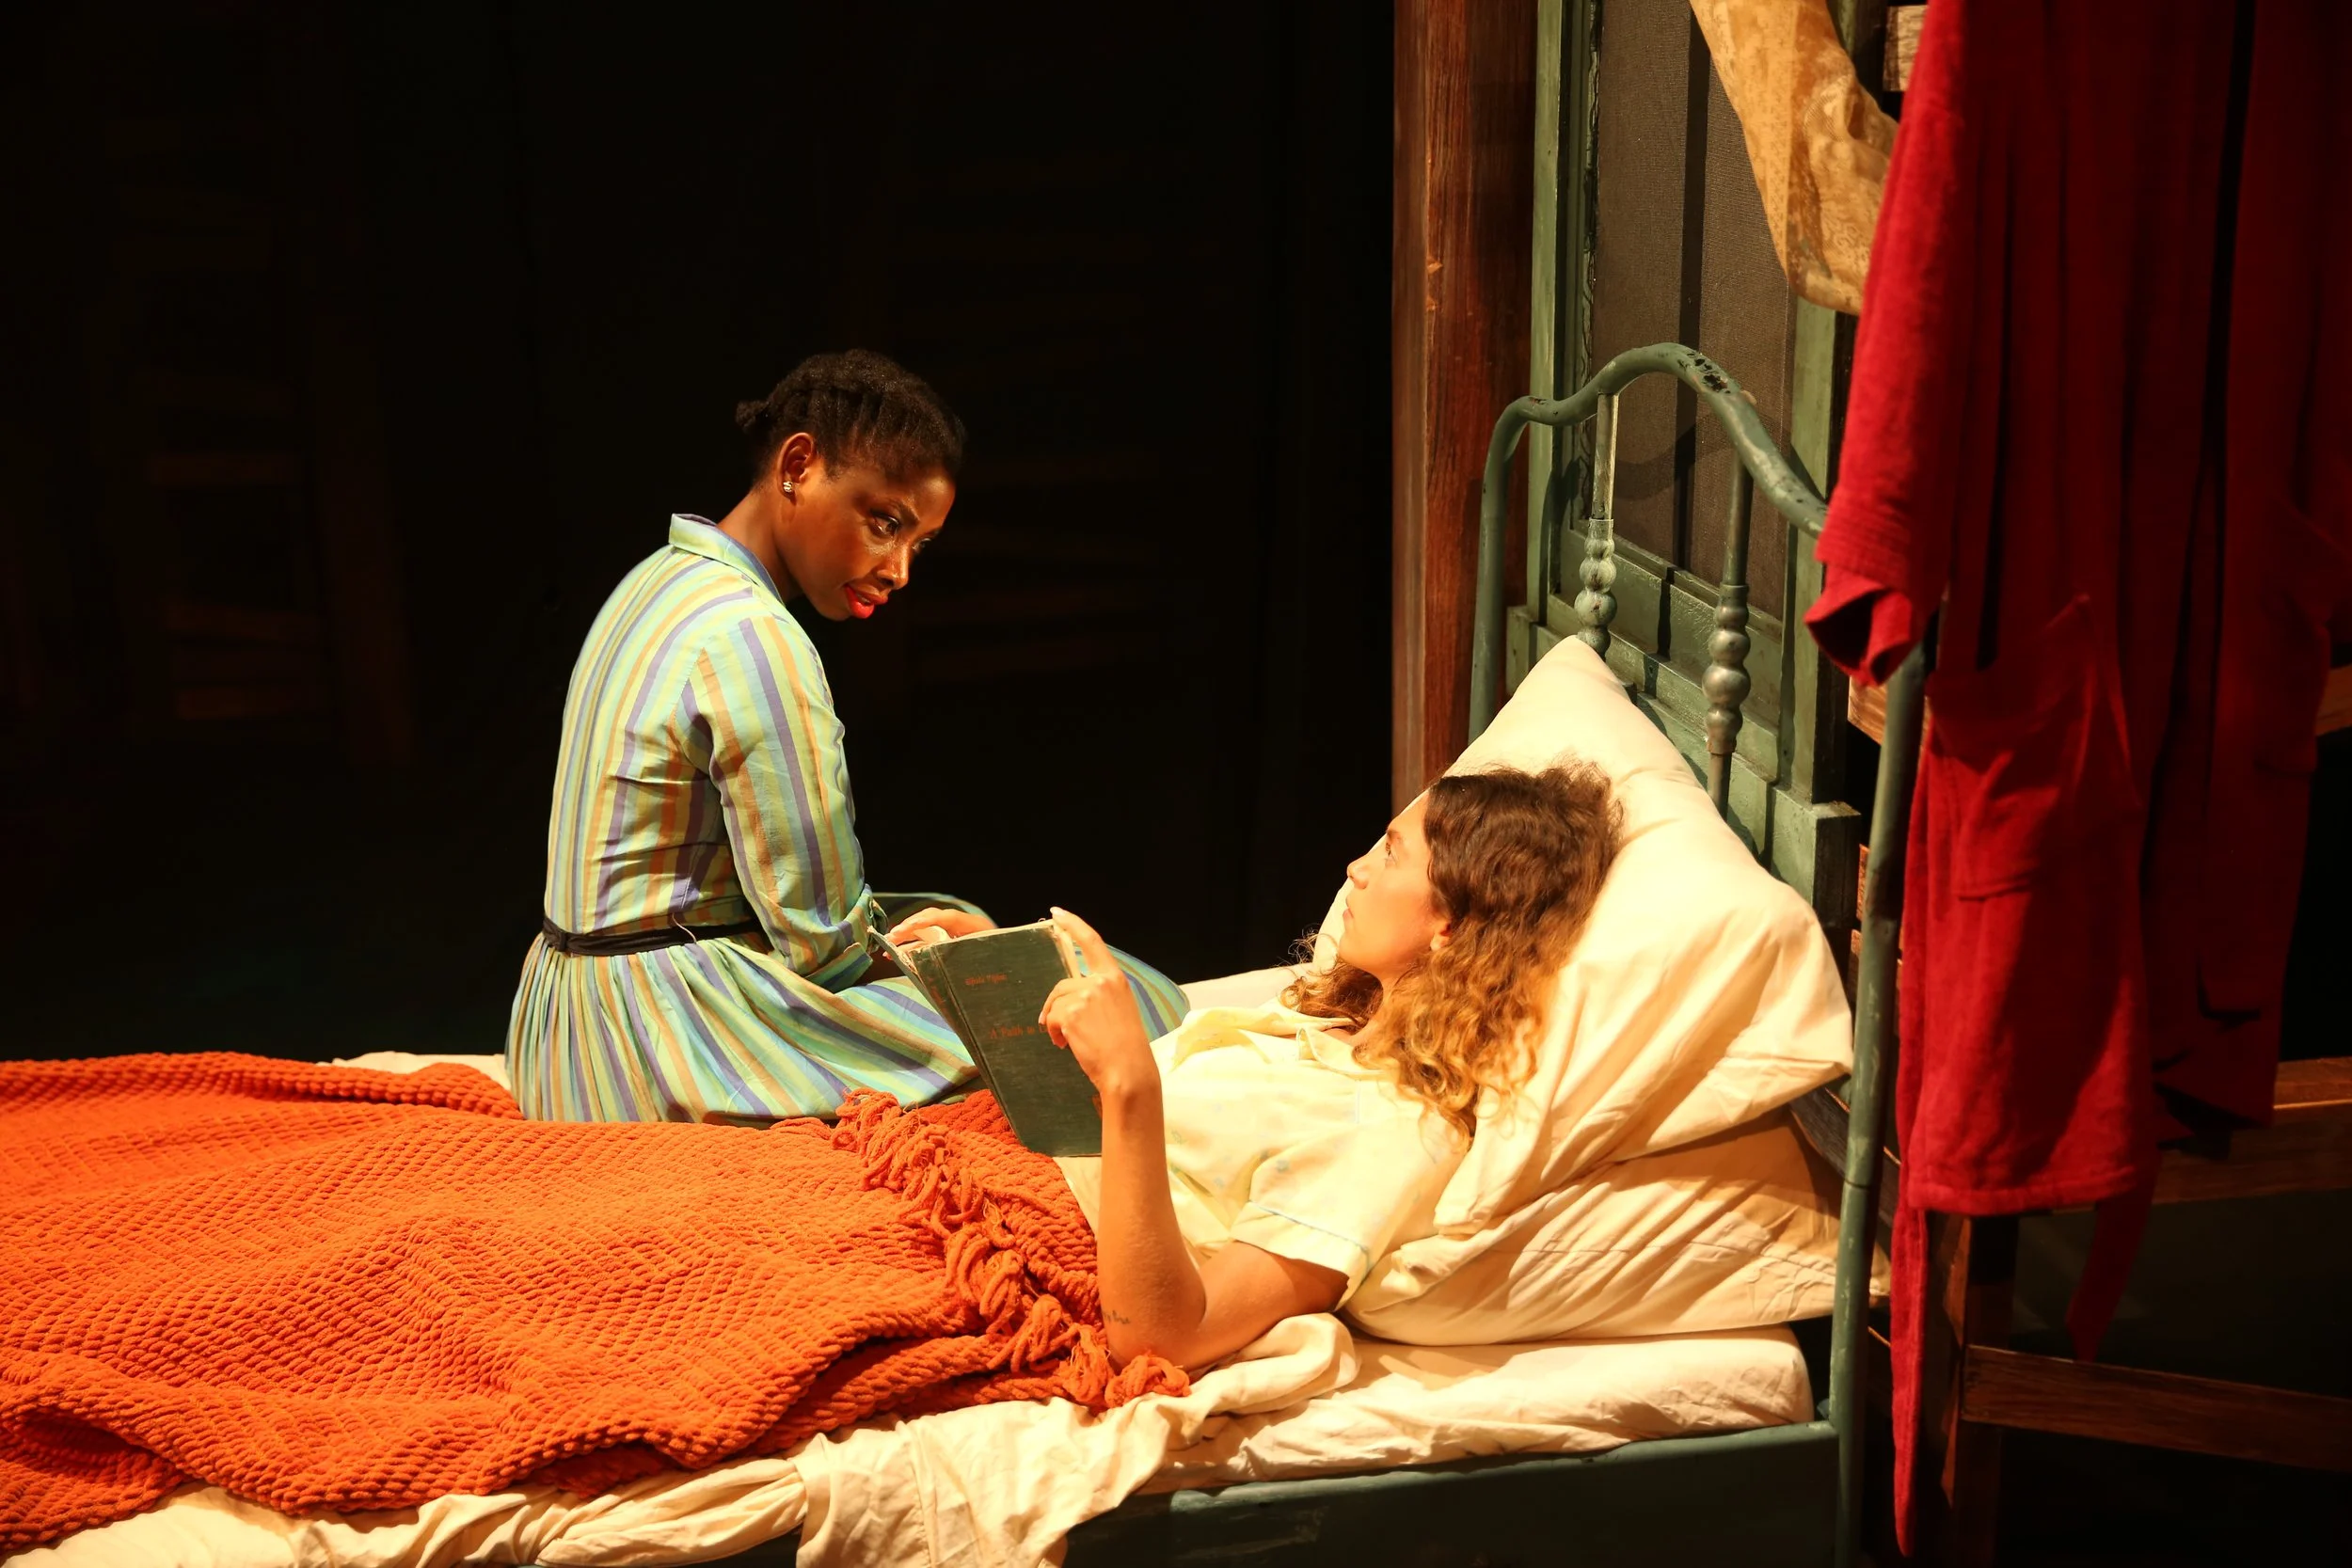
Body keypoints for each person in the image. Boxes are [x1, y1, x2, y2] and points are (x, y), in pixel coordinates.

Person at [507, 350, 1187, 1124]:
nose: (899, 570)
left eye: (918, 544)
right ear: (798, 465)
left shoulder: (654, 579)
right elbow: (821, 944)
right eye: (885, 523)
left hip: (558, 1031)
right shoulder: (755, 638)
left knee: (951, 915)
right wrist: (937, 962)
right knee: (1108, 1002)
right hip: (654, 1047)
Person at [1041, 763, 1618, 1371]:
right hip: (1007, 1165)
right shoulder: (1318, 1022)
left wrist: (1130, 1084)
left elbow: (1166, 1340)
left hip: (1043, 1247)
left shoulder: (1393, 1126)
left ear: (1449, 923)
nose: (1356, 869)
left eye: (1391, 854)